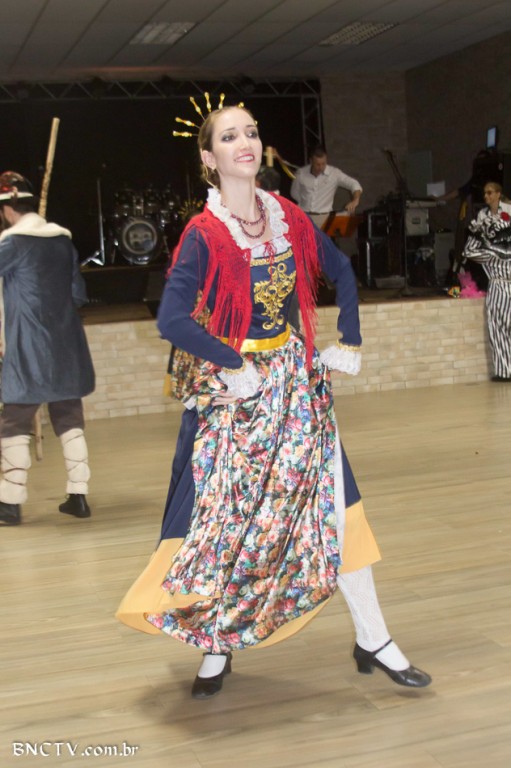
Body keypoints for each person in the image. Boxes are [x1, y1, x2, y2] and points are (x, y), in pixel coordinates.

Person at [116, 106, 431, 699]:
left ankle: (374, 636)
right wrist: (234, 365)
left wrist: (350, 341)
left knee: (336, 503)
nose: (246, 142)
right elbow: (172, 319)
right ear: (208, 158)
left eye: (253, 132)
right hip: (238, 399)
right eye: (229, 136)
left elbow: (341, 271)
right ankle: (217, 645)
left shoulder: (286, 215)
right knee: (225, 527)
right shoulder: (205, 233)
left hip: (296, 385)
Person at [0, 171, 95, 526]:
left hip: (28, 346)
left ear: (8, 210)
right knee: (69, 417)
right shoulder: (63, 243)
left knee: (14, 420)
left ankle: (10, 502)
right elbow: (78, 295)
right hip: (66, 345)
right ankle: (78, 495)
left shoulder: (12, 244)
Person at [463, 181, 511, 382]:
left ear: (499, 194)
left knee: (499, 326)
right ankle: (505, 371)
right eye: (485, 193)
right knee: (500, 326)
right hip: (498, 275)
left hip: (500, 281)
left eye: (490, 193)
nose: (486, 197)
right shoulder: (483, 214)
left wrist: (479, 237)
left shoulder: (507, 211)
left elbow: (469, 250)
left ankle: (504, 371)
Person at [290, 146, 362, 229]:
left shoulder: (334, 173)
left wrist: (356, 200)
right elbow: (294, 193)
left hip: (324, 218)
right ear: (311, 161)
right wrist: (305, 200)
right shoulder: (301, 173)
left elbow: (354, 184)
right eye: (317, 164)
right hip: (303, 216)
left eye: (323, 164)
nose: (321, 167)